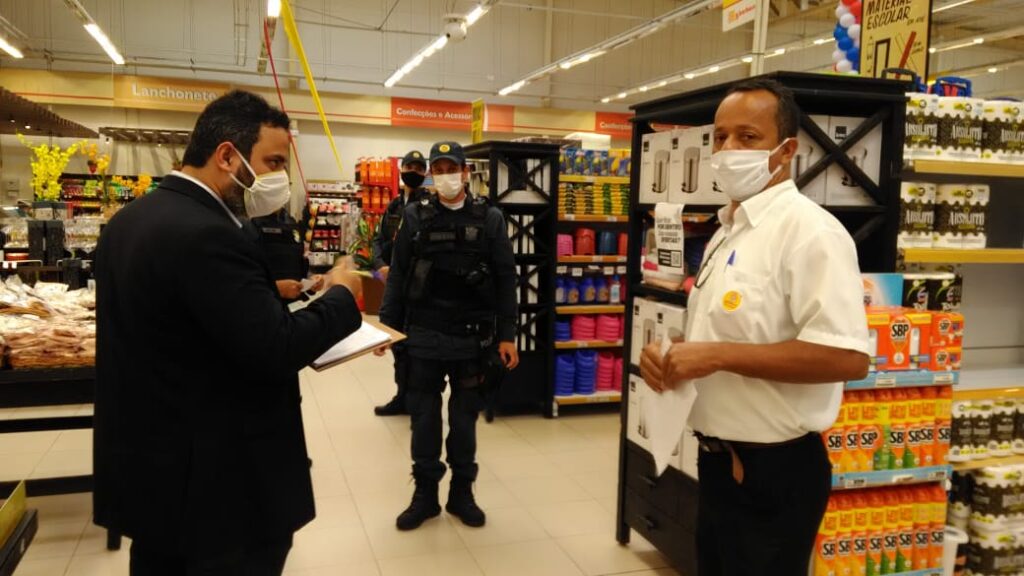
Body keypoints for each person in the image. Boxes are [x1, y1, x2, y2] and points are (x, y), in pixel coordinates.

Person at [94, 90, 365, 576]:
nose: (279, 179)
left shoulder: (132, 220)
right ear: (226, 156)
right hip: (218, 495)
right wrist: (343, 296)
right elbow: (277, 347)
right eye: (273, 162)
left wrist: (263, 293)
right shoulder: (209, 233)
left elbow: (178, 315)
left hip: (154, 479)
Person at [638, 78, 870, 576]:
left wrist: (716, 356)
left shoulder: (811, 233)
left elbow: (848, 357)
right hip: (719, 464)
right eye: (720, 137)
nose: (728, 150)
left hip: (775, 474)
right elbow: (730, 330)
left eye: (747, 137)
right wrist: (672, 354)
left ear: (786, 150)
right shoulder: (727, 230)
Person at [378, 141, 519, 530]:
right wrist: (387, 328)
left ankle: (462, 493)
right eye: (438, 170)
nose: (445, 177)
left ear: (466, 172)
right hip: (423, 334)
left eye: (451, 169)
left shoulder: (489, 218)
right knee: (424, 418)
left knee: (463, 420)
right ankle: (425, 496)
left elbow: (506, 278)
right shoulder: (415, 215)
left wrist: (508, 334)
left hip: (473, 338)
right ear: (430, 175)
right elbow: (399, 274)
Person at [372, 150, 430, 416]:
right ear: (401, 170)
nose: (413, 172)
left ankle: (416, 399)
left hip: (418, 285)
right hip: (394, 283)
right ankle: (402, 396)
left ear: (425, 173)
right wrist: (380, 265)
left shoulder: (429, 206)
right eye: (410, 167)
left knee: (415, 345)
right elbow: (378, 240)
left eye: (419, 169)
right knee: (397, 341)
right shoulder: (394, 206)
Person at [247, 207, 324, 302]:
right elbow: (242, 281)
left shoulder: (291, 223)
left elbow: (297, 263)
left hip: (293, 304)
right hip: (265, 303)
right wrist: (277, 288)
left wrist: (310, 283)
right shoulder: (249, 226)